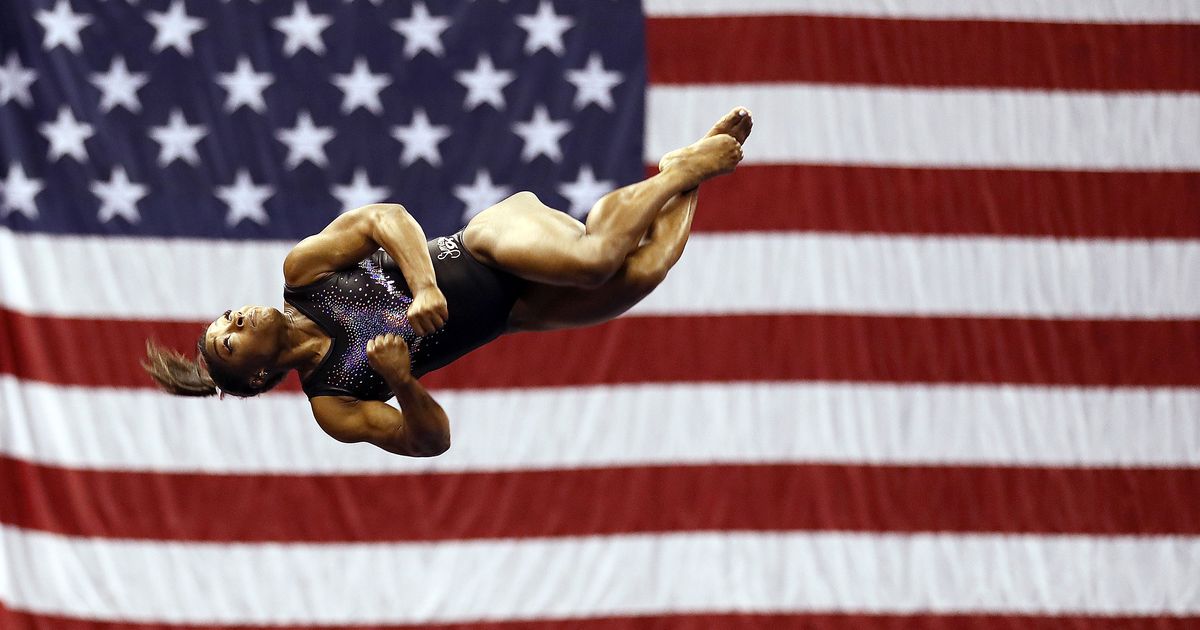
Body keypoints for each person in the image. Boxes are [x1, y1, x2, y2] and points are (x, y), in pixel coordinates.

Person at [144, 107, 753, 457]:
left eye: (225, 316)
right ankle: (686, 174)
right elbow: (429, 442)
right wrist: (402, 381)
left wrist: (426, 285)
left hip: (487, 241)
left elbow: (387, 217)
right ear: (257, 374)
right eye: (228, 340)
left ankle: (684, 168)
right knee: (648, 269)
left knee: (597, 258)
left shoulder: (304, 275)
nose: (235, 321)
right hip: (517, 311)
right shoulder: (332, 401)